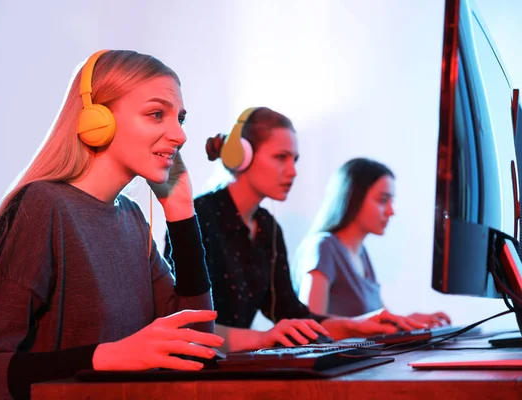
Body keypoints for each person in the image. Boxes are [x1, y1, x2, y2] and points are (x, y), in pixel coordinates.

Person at [0, 50, 224, 400]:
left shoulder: (132, 218)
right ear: (96, 120)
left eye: (180, 119)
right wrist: (106, 356)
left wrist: (182, 214)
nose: (180, 135)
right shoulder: (44, 207)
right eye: (157, 114)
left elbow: (194, 340)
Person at [164, 107, 425, 353]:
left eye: (295, 160)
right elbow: (183, 322)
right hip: (196, 371)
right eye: (281, 157)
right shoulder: (196, 216)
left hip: (235, 364)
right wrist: (263, 338)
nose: (292, 171)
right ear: (241, 155)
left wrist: (356, 324)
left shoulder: (268, 228)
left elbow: (291, 313)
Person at [295, 157, 451, 326]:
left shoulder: (362, 253)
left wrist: (408, 321)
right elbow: (311, 324)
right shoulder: (323, 247)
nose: (391, 211)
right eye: (383, 200)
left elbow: (379, 319)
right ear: (352, 197)